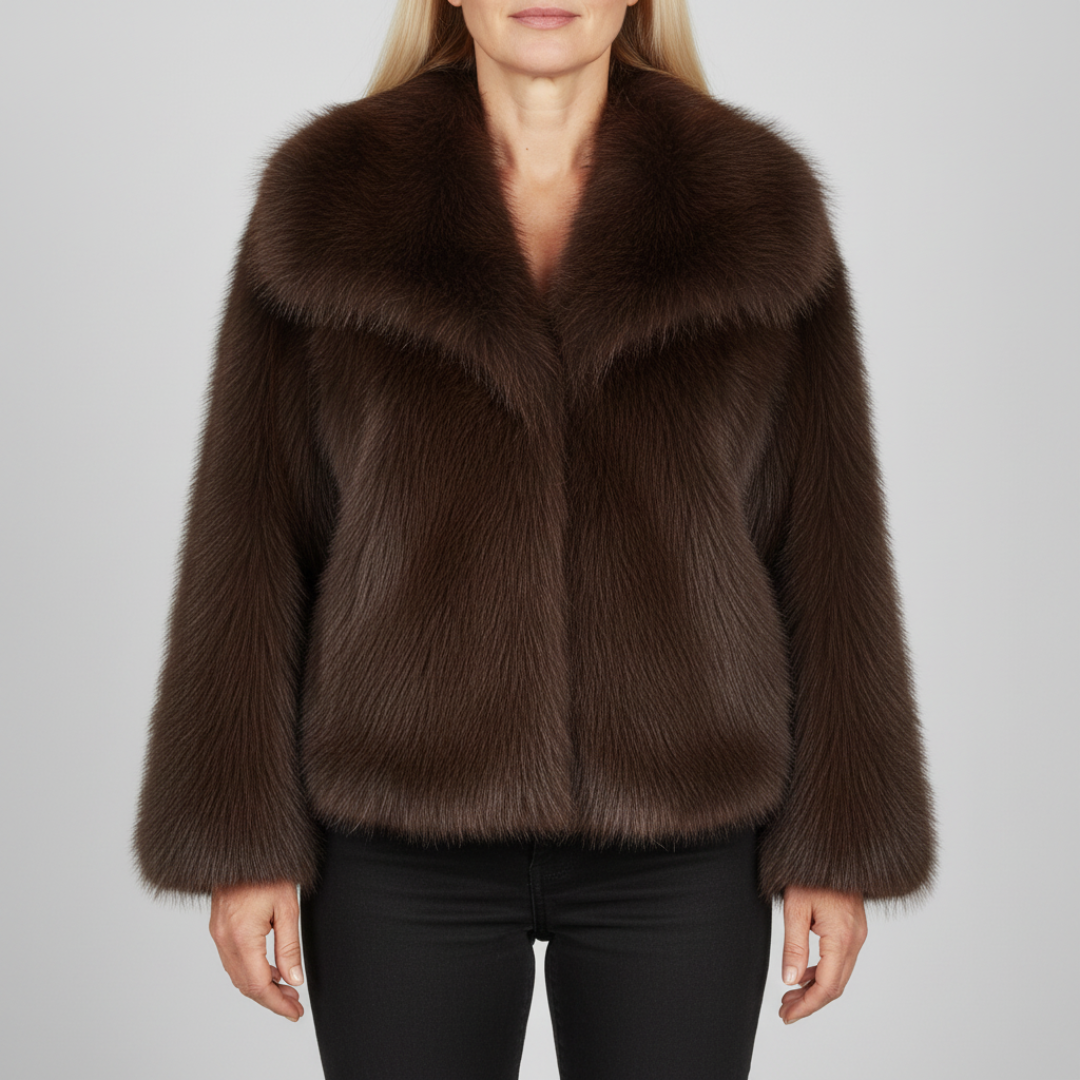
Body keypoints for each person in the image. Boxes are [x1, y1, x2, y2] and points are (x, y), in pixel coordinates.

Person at [131, 1, 939, 1077]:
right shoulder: (329, 201)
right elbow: (249, 530)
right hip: (397, 832)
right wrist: (242, 840)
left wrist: (837, 841)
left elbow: (832, 542)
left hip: (684, 834)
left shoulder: (755, 207)